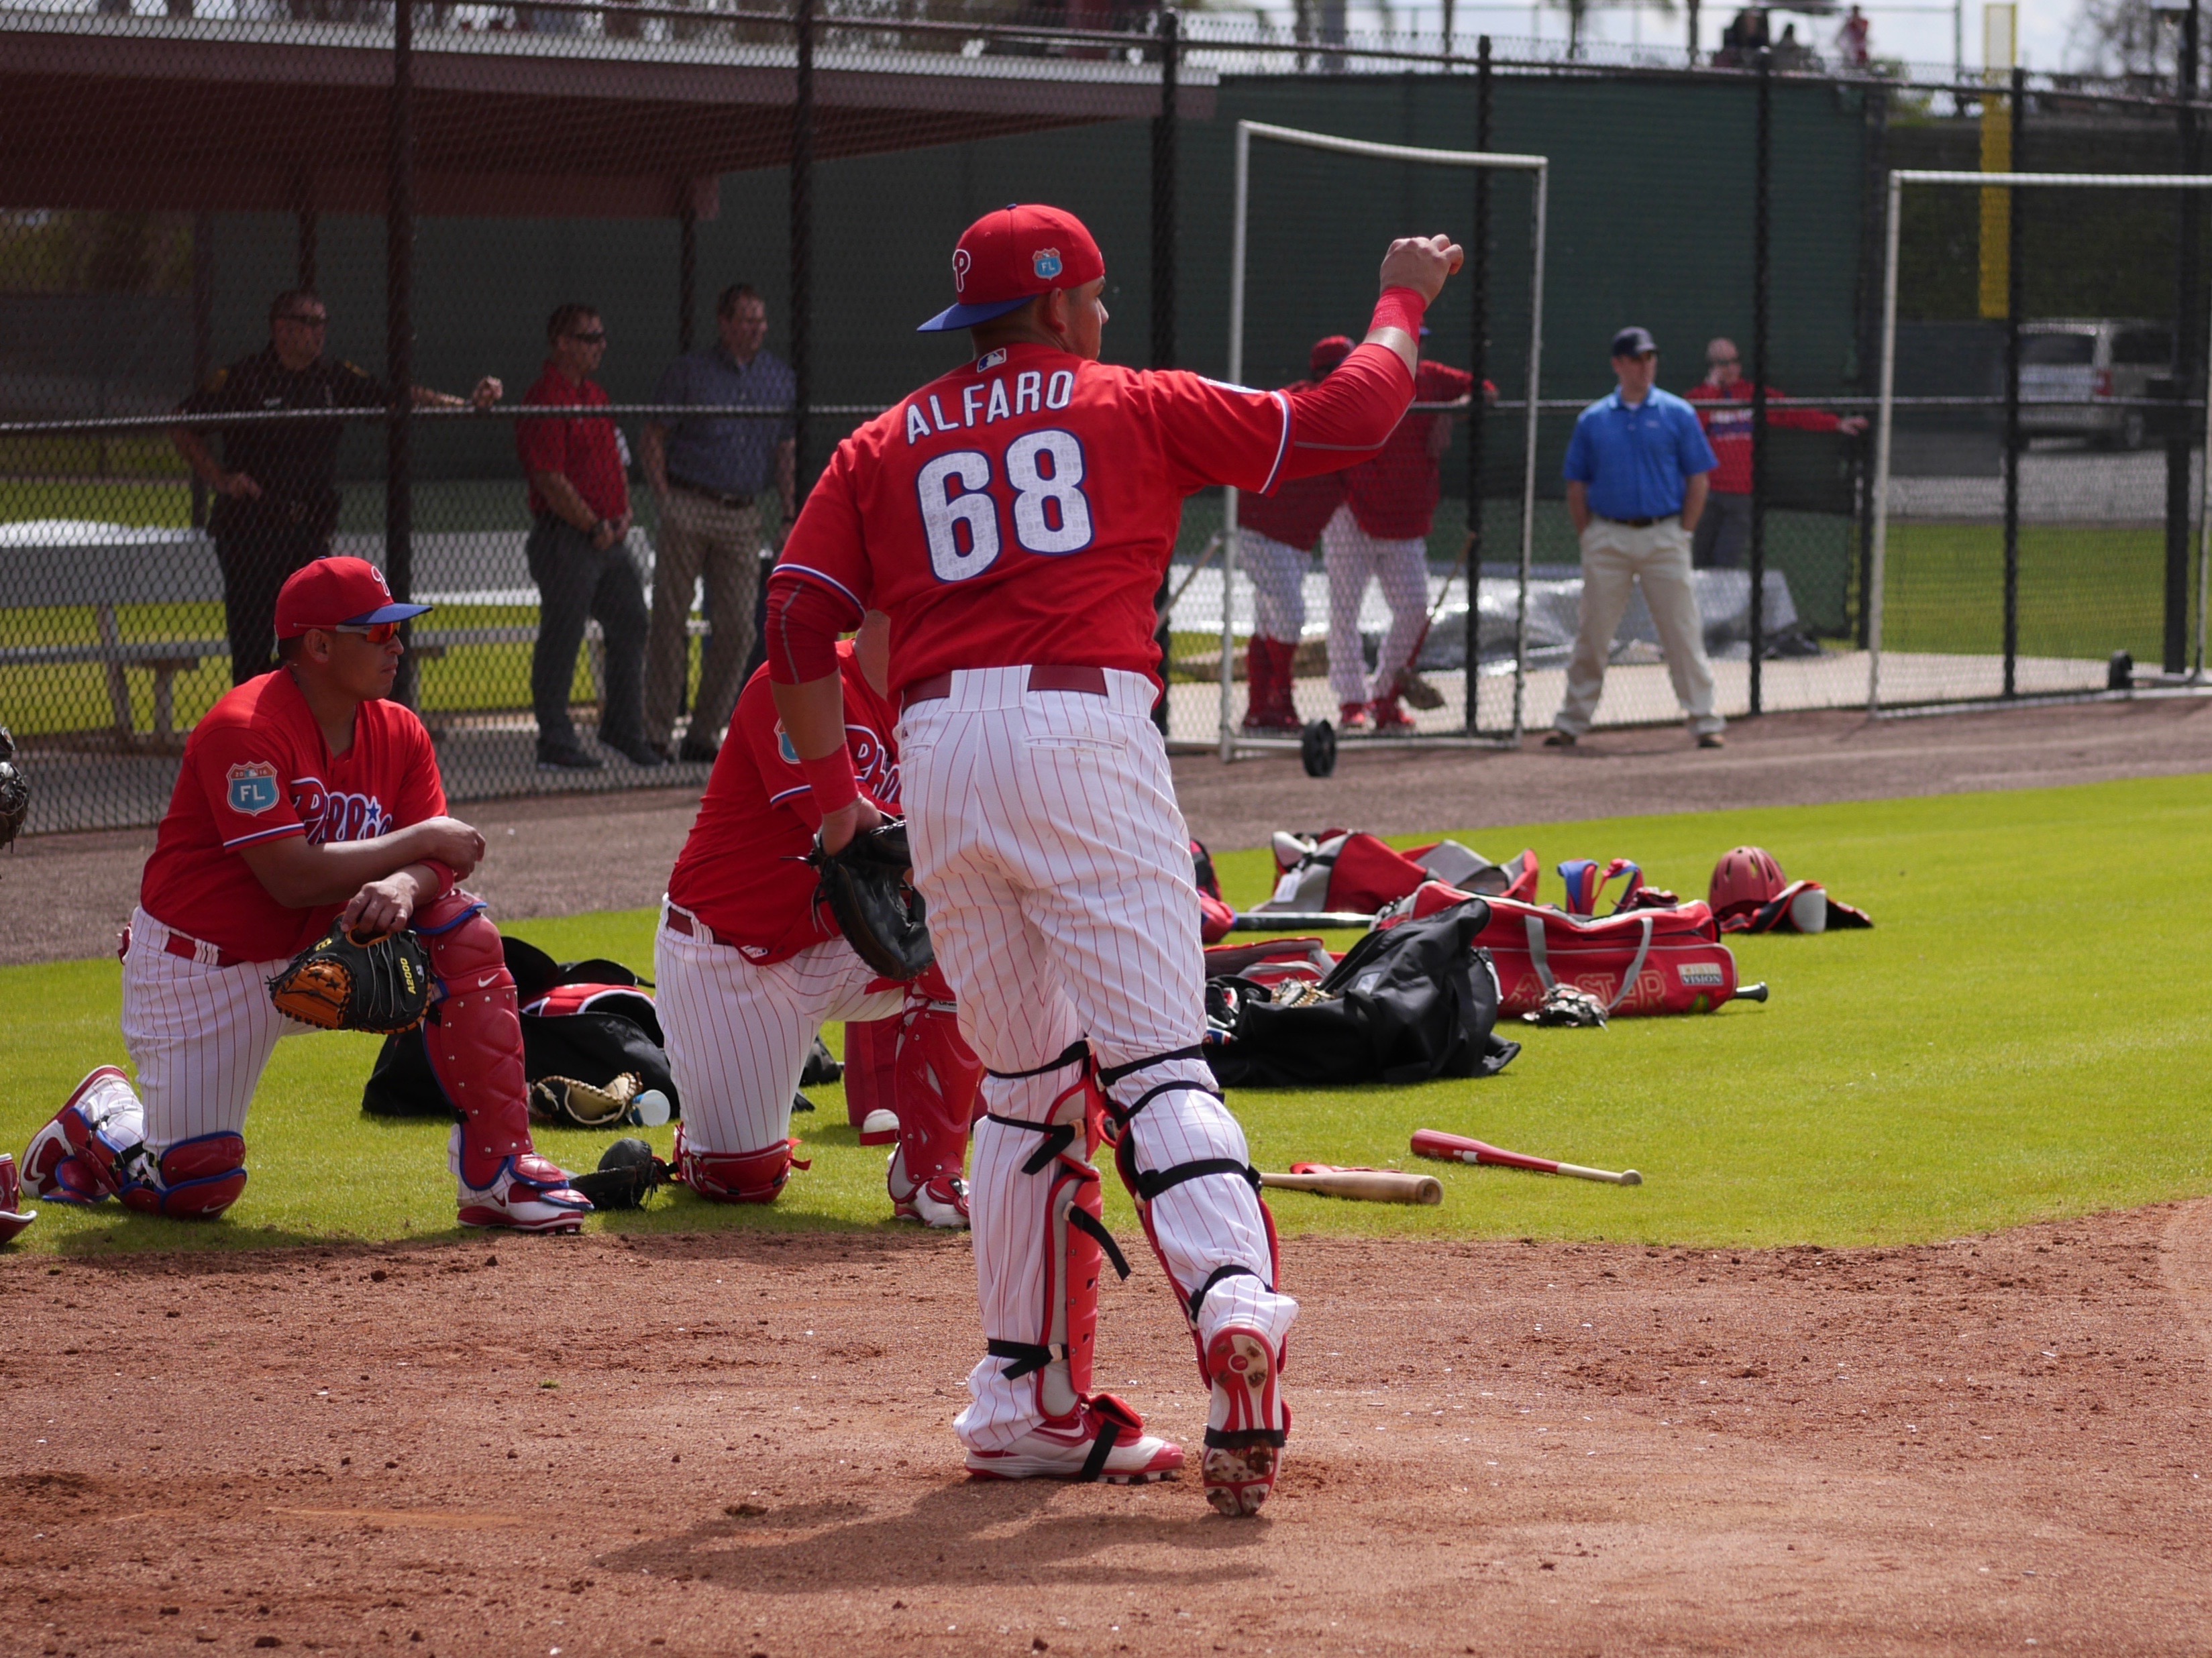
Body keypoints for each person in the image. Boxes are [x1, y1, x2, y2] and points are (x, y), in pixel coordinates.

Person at [762, 201, 1459, 1514]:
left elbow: (797, 616)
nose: (1102, 316)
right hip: (1081, 730)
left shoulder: (886, 438)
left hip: (937, 748)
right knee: (1155, 1063)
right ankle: (1233, 1303)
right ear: (1061, 304)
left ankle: (1023, 1403)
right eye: (1094, 298)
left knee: (1025, 1084)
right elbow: (1350, 416)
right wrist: (1400, 298)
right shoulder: (1129, 402)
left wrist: (836, 811)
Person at [19, 557, 592, 1233]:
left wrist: (404, 883)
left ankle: (500, 1172)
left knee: (462, 932)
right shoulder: (244, 727)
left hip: (321, 954)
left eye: (397, 630)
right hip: (202, 970)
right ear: (319, 645)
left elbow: (442, 860)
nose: (397, 646)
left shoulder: (400, 731)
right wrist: (418, 842)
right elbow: (289, 878)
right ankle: (103, 1119)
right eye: (377, 633)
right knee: (197, 1182)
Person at [654, 612, 981, 1227]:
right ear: (876, 605)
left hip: (841, 945)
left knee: (981, 944)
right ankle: (698, 1154)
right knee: (743, 1179)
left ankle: (930, 1171)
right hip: (733, 952)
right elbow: (863, 842)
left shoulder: (949, 699)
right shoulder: (794, 684)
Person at [170, 290, 501, 685]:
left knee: (314, 646)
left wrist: (465, 405)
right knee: (251, 647)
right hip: (251, 530)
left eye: (323, 323)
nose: (319, 332)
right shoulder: (245, 378)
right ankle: (254, 722)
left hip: (307, 532)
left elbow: (397, 399)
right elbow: (182, 423)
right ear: (282, 328)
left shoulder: (332, 377)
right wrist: (221, 479)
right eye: (309, 322)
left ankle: (308, 722)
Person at [640, 284, 799, 764]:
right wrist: (666, 500)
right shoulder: (690, 373)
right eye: (747, 320)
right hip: (689, 502)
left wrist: (788, 513)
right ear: (724, 323)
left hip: (744, 514)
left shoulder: (779, 378)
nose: (757, 329)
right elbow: (652, 436)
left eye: (761, 320)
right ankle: (656, 733)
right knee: (670, 619)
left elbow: (785, 451)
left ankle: (704, 733)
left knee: (738, 629)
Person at [1548, 326, 1726, 751]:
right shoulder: (1593, 420)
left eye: (1650, 358)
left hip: (1664, 537)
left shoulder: (1677, 413)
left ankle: (1705, 720)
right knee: (1593, 634)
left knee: (1682, 632)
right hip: (1607, 538)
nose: (1645, 367)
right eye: (1636, 359)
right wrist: (1590, 535)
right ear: (1618, 364)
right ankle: (1572, 722)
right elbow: (1577, 484)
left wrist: (1683, 532)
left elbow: (1698, 478)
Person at [520, 302, 659, 773]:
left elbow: (616, 464)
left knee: (632, 620)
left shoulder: (597, 396)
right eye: (589, 338)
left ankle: (622, 729)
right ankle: (555, 741)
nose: (600, 346)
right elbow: (550, 478)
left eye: (602, 337)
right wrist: (592, 524)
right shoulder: (545, 398)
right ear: (562, 343)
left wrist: (622, 515)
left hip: (609, 538)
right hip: (567, 538)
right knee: (564, 632)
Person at [1324, 336, 1489, 732]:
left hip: (1406, 520)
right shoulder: (1368, 373)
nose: (1414, 346)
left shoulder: (1432, 378)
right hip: (1353, 514)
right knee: (1345, 611)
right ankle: (1351, 700)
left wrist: (1451, 411)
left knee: (1415, 609)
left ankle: (1385, 694)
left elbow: (1485, 390)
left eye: (1419, 339)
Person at [1234, 336, 1352, 733]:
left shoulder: (1337, 408)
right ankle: (1280, 699)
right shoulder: (1308, 401)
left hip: (1293, 537)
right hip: (1263, 530)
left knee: (1269, 620)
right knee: (1289, 614)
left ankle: (1259, 710)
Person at [1687, 337, 1868, 571]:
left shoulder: (1752, 394)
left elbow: (1792, 413)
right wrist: (1712, 388)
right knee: (1699, 562)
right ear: (1712, 366)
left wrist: (1836, 423)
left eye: (1735, 361)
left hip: (1741, 495)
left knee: (1726, 562)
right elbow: (1692, 430)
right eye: (1724, 363)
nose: (1731, 368)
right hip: (1706, 493)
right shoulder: (1698, 398)